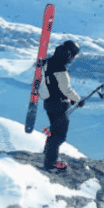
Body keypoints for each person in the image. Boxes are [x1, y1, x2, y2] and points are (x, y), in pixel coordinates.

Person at [40, 40, 84, 171]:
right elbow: (66, 89)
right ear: (70, 55)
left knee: (54, 131)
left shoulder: (48, 62)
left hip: (49, 102)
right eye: (73, 56)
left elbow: (52, 85)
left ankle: (49, 155)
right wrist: (78, 100)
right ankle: (51, 162)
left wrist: (67, 99)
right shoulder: (61, 68)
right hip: (58, 105)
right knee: (60, 135)